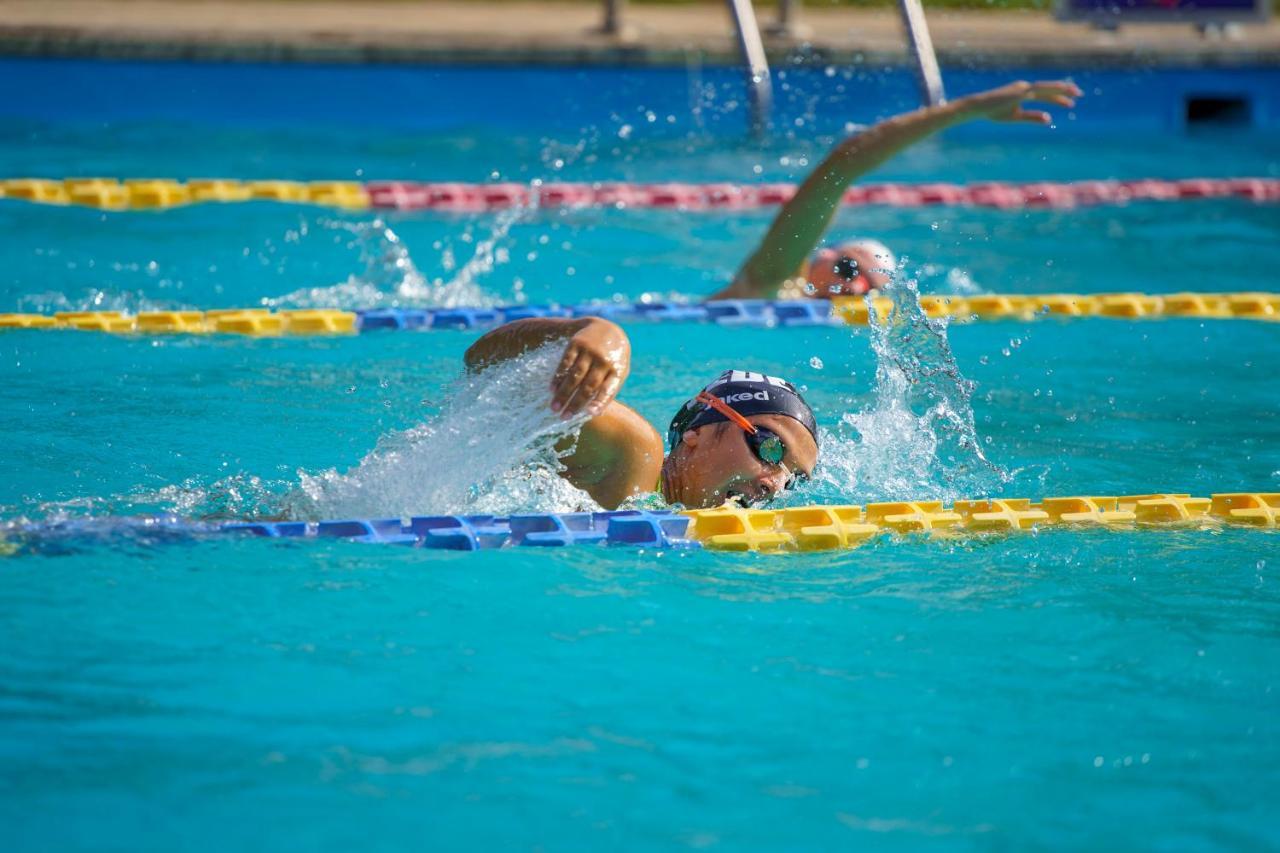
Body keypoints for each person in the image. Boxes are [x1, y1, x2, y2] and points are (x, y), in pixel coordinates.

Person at [466, 81, 1079, 510]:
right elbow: (483, 371)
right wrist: (595, 332)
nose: (777, 484)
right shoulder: (636, 453)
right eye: (769, 449)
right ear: (698, 433)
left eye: (795, 480)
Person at [707, 80, 1082, 302]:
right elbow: (844, 164)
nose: (853, 288)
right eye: (848, 268)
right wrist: (969, 109)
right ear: (819, 256)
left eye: (870, 290)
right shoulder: (772, 282)